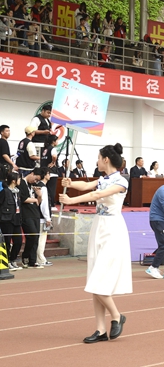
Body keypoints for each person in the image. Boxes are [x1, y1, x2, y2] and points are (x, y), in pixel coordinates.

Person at [58, 144, 130, 343]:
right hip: (98, 227)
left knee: (97, 280)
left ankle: (117, 315)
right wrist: (71, 183)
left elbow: (96, 195)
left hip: (112, 229)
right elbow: (87, 186)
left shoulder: (121, 181)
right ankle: (100, 329)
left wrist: (71, 201)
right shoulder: (103, 179)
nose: (97, 161)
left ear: (106, 159)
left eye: (98, 157)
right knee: (94, 278)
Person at [19, 168, 43, 268]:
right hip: (26, 214)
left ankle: (32, 260)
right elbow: (23, 198)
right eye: (35, 179)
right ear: (32, 173)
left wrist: (39, 196)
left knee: (36, 237)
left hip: (35, 213)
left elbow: (38, 202)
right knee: (32, 235)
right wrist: (35, 200)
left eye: (37, 180)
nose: (35, 181)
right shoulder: (21, 182)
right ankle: (25, 256)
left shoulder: (32, 186)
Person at [0, 172, 23, 271]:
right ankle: (7, 261)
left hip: (16, 219)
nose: (20, 180)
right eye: (19, 178)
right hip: (6, 220)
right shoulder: (5, 192)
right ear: (13, 181)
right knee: (7, 241)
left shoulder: (18, 192)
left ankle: (13, 259)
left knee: (18, 241)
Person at [35, 168, 53, 267]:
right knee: (41, 239)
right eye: (48, 173)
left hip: (37, 216)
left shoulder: (37, 185)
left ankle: (38, 258)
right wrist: (47, 218)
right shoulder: (43, 188)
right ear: (45, 175)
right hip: (41, 217)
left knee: (39, 238)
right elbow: (44, 204)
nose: (49, 175)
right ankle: (41, 259)